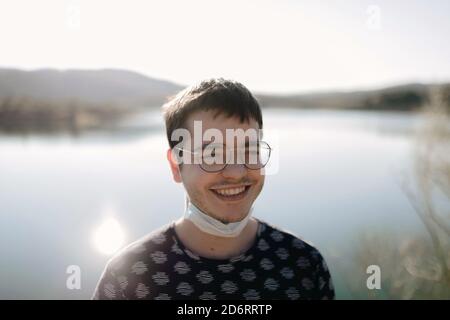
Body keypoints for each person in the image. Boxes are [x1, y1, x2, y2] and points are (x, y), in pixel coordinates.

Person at [93, 78, 335, 300]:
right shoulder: (128, 277)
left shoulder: (303, 264)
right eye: (212, 154)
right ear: (176, 166)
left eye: (249, 150)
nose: (236, 172)